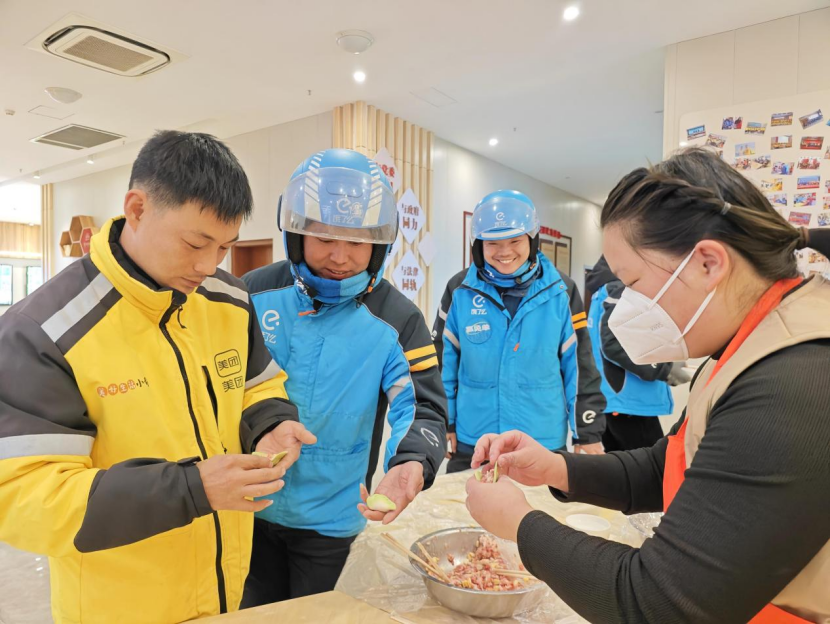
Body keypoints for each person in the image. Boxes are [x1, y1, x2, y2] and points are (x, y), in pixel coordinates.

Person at [465, 148, 830, 623]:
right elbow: (668, 465)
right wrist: (556, 468)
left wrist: (520, 524)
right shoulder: (745, 347)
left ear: (707, 263)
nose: (626, 307)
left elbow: (658, 603)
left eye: (632, 284)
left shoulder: (792, 382)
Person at [0, 131, 317, 624]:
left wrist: (270, 422)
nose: (208, 266)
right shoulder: (44, 330)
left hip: (225, 592)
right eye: (195, 243)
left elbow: (258, 384)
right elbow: (28, 500)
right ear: (137, 209)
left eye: (224, 247)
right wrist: (192, 489)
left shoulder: (229, 299)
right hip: (117, 607)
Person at [241, 148, 447, 605]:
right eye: (324, 238)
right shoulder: (253, 292)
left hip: (331, 519)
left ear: (380, 245)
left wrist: (410, 461)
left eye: (357, 242)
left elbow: (423, 407)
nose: (339, 257)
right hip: (247, 502)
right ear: (296, 235)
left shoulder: (398, 319)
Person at [433, 190, 606, 473]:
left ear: (532, 240)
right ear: (478, 245)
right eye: (493, 243)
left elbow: (580, 365)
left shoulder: (562, 291)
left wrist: (587, 432)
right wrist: (444, 422)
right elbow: (443, 364)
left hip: (541, 439)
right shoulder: (459, 290)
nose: (504, 252)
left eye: (515, 241)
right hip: (475, 439)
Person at [585, 256, 692, 451]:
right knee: (651, 467)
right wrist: (664, 369)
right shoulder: (620, 288)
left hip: (618, 401)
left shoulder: (606, 287)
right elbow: (614, 345)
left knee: (622, 467)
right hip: (628, 402)